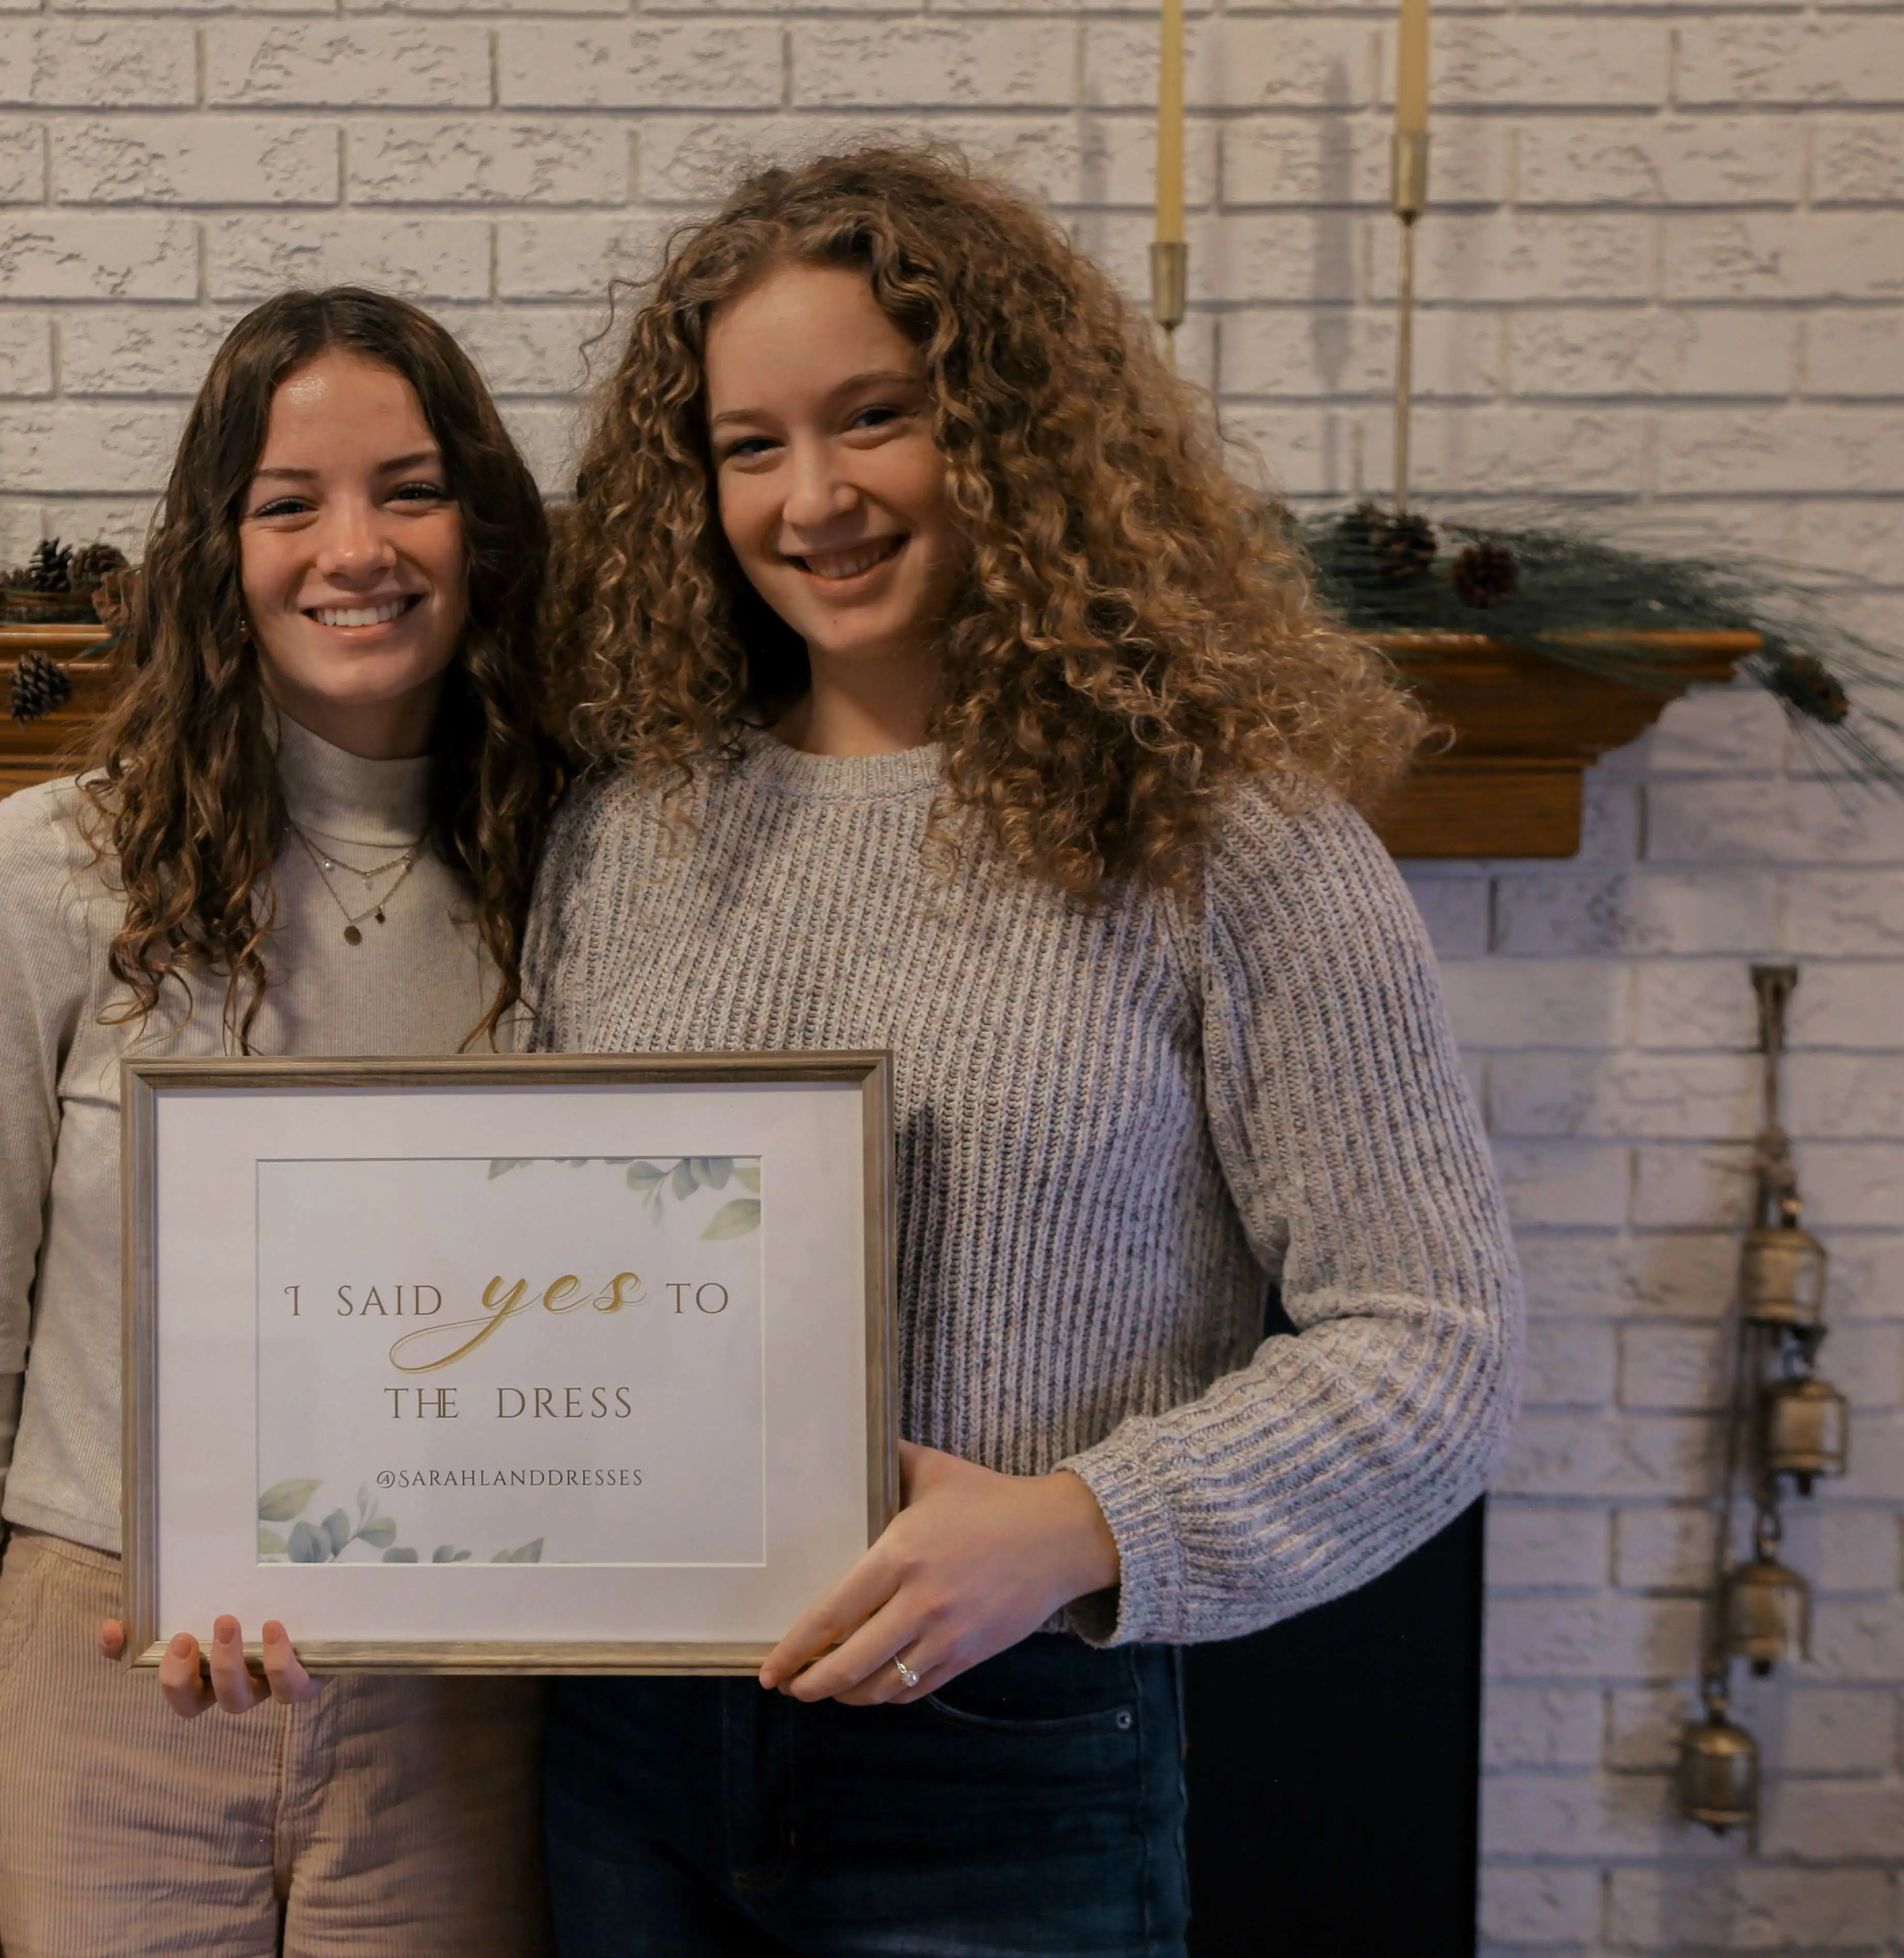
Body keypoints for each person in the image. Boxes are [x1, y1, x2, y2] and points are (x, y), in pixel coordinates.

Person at [521, 145, 1524, 1956]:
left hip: (1005, 1759)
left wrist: (1077, 1522)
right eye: (750, 445)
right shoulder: (629, 836)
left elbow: (1434, 1347)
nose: (812, 496)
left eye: (875, 417)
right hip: (625, 1749)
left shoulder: (1237, 842)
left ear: (1010, 429)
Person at [0, 287, 563, 1958]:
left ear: (482, 528)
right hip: (102, 1680)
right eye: (286, 502)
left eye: (409, 489)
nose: (356, 548)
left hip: (454, 1714)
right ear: (213, 547)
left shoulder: (587, 871)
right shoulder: (44, 874)